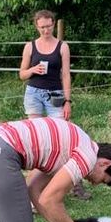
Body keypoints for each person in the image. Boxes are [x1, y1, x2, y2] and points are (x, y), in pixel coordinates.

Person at [18, 10, 91, 200]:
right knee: (36, 139)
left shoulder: (62, 46)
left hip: (55, 95)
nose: (46, 30)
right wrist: (33, 69)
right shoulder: (30, 47)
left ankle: (75, 183)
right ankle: (37, 185)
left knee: (64, 138)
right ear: (36, 26)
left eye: (49, 26)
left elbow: (66, 75)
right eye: (42, 27)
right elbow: (22, 74)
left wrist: (68, 101)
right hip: (33, 94)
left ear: (53, 24)